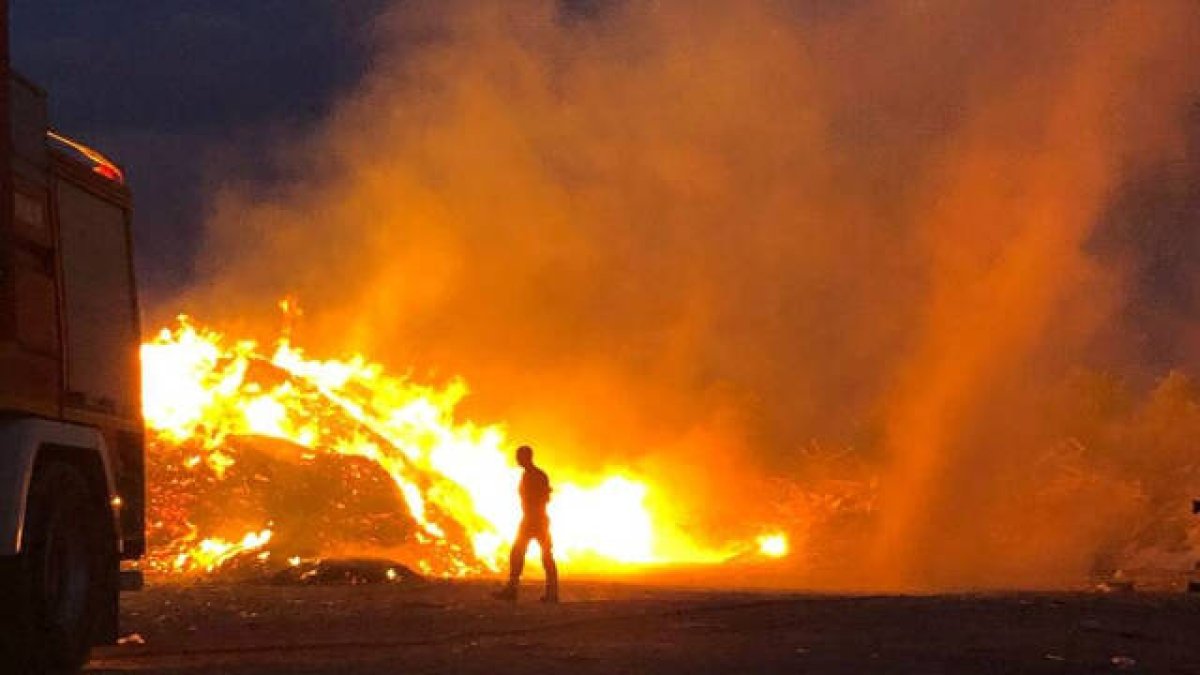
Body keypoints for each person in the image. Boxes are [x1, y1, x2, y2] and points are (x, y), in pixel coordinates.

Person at [494, 444, 558, 603]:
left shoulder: (535, 475)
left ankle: (548, 593)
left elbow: (544, 497)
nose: (517, 460)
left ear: (526, 457)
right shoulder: (531, 475)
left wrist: (533, 509)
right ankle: (549, 593)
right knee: (523, 552)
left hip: (535, 519)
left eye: (519, 457)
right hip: (534, 518)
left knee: (535, 553)